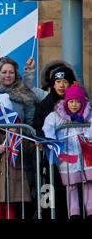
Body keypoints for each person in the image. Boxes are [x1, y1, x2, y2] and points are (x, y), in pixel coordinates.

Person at [32, 61, 77, 219]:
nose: (61, 86)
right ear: (53, 83)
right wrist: (40, 138)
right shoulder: (45, 104)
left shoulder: (77, 103)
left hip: (72, 160)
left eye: (65, 82)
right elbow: (36, 125)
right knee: (48, 193)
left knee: (71, 195)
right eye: (58, 82)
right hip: (49, 160)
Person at [42, 82, 92, 219]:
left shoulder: (88, 115)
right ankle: (74, 212)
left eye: (77, 102)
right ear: (66, 101)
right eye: (71, 101)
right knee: (71, 185)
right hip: (68, 156)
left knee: (89, 184)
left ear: (82, 103)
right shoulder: (57, 115)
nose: (74, 105)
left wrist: (88, 137)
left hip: (86, 154)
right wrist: (52, 141)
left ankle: (90, 210)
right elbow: (48, 127)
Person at [0, 94, 32, 219]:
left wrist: (17, 136)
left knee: (12, 209)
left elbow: (28, 148)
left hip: (13, 175)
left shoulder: (19, 127)